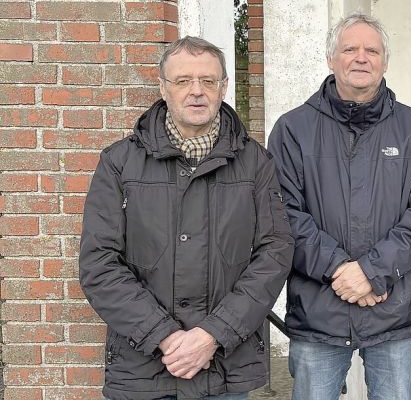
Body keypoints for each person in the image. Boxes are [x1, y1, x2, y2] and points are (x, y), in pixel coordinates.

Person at [79, 36, 294, 400]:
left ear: (223, 87)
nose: (197, 91)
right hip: (144, 368)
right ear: (163, 88)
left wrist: (213, 335)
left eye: (208, 81)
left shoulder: (255, 162)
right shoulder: (119, 163)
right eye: (183, 81)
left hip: (225, 367)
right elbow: (99, 263)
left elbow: (275, 252)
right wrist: (165, 336)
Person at [268, 12, 411, 400]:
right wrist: (339, 271)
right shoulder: (293, 129)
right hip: (319, 313)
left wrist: (371, 272)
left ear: (385, 62)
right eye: (350, 49)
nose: (361, 58)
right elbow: (282, 214)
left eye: (372, 50)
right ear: (331, 59)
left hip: (392, 311)